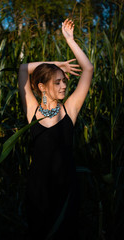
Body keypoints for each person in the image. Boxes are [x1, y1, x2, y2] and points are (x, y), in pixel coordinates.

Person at [18, 19, 94, 240]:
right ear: (42, 87)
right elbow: (23, 68)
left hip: (66, 190)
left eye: (64, 81)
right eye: (57, 82)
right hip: (37, 190)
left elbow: (87, 69)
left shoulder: (70, 109)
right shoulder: (32, 109)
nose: (63, 86)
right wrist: (55, 63)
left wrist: (70, 40)